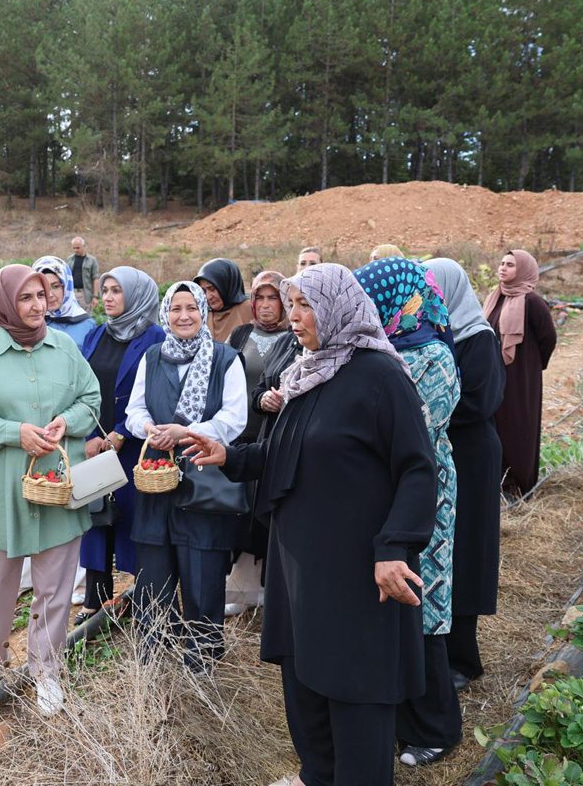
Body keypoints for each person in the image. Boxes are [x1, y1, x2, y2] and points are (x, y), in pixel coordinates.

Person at [181, 263, 438, 786]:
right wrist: (229, 455)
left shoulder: (380, 378)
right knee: (306, 679)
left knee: (354, 686)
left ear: (339, 308)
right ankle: (318, 775)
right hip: (301, 564)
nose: (294, 318)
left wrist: (394, 547)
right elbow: (284, 454)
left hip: (355, 568)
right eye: (291, 305)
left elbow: (417, 470)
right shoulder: (311, 371)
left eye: (304, 306)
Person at [0, 264, 101, 712]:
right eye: (26, 298)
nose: (38, 306)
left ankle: (46, 668)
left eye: (43, 295)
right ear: (5, 303)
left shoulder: (65, 347)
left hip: (55, 482)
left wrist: (65, 422)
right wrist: (15, 432)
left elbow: (89, 399)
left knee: (54, 580)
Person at [356, 257, 462, 767]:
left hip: (425, 495)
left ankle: (437, 727)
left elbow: (420, 427)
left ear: (400, 303)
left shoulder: (434, 356)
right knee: (392, 607)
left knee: (423, 604)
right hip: (384, 489)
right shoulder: (385, 351)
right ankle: (401, 717)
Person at [124, 282, 248, 663]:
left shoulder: (225, 358)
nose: (183, 316)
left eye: (191, 308)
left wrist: (188, 432)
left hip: (202, 486)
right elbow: (135, 410)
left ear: (203, 311)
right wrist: (149, 429)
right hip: (156, 484)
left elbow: (234, 417)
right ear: (165, 314)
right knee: (153, 583)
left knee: (203, 583)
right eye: (175, 309)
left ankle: (202, 664)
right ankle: (154, 667)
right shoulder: (153, 357)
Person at [424, 257, 506, 692]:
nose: (431, 296)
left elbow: (480, 402)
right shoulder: (433, 335)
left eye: (437, 287)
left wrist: (429, 409)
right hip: (444, 450)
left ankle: (463, 658)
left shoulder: (477, 338)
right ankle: (441, 651)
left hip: (471, 455)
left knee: (466, 549)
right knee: (441, 550)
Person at [74, 267, 166, 625]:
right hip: (95, 444)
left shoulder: (154, 336)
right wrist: (87, 436)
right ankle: (96, 596)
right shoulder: (97, 335)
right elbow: (80, 387)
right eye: (105, 290)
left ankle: (142, 595)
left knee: (135, 518)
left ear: (136, 295)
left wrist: (119, 433)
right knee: (96, 515)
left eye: (116, 291)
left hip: (133, 444)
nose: (108, 297)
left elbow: (157, 391)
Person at [224, 271, 291, 616]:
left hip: (275, 437)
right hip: (242, 436)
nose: (266, 306)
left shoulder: (295, 337)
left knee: (266, 511)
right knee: (240, 513)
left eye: (273, 298)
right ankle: (242, 588)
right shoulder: (241, 334)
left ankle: (268, 587)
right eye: (260, 298)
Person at [483, 250, 557, 497]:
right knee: (498, 425)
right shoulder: (494, 297)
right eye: (502, 263)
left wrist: (533, 366)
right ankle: (501, 480)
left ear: (523, 269)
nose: (503, 268)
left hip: (522, 377)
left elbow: (548, 338)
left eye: (510, 265)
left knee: (520, 427)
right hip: (495, 374)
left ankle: (522, 485)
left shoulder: (533, 302)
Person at [32, 255, 97, 346]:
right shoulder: (31, 322)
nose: (50, 295)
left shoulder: (87, 325)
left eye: (55, 286)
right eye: (44, 288)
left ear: (66, 286)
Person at [194, 258, 253, 342]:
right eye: (204, 291)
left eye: (212, 289)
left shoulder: (249, 309)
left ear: (226, 285)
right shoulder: (204, 315)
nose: (208, 296)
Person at [67, 236, 100, 310]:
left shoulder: (92, 260)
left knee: (86, 317)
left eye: (78, 248)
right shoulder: (69, 260)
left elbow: (96, 279)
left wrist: (95, 297)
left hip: (85, 294)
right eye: (74, 248)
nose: (75, 250)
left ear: (83, 246)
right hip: (72, 293)